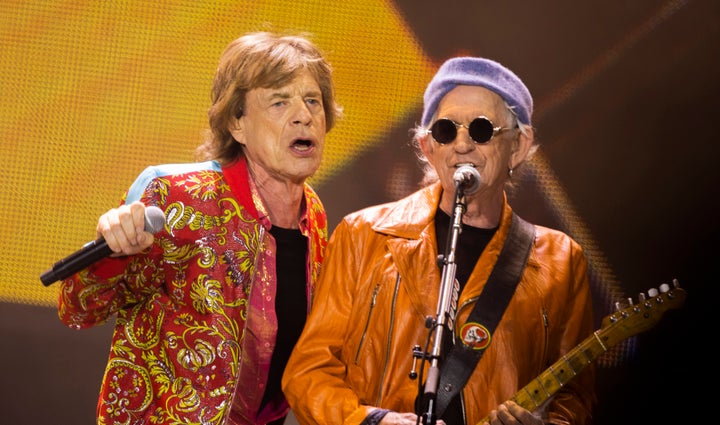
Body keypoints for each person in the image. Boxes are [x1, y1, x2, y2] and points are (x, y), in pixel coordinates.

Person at [282, 57, 596, 425]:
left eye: (481, 130)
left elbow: (575, 397)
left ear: (519, 145)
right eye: (446, 131)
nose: (462, 145)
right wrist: (372, 421)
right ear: (428, 147)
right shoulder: (362, 234)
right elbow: (308, 372)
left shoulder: (561, 259)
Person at [57, 31, 342, 425]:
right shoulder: (174, 196)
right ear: (236, 123)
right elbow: (78, 308)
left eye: (313, 100)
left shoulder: (315, 214)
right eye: (279, 101)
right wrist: (115, 252)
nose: (303, 115)